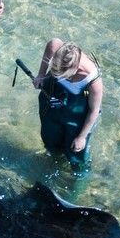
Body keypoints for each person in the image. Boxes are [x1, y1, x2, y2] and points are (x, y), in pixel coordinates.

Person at [31, 39, 103, 167]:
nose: (56, 74)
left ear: (75, 69)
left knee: (75, 152)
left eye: (61, 74)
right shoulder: (58, 48)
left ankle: (78, 177)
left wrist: (81, 137)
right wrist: (41, 75)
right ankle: (53, 159)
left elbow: (94, 111)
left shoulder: (93, 81)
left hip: (77, 115)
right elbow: (52, 43)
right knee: (50, 141)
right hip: (51, 103)